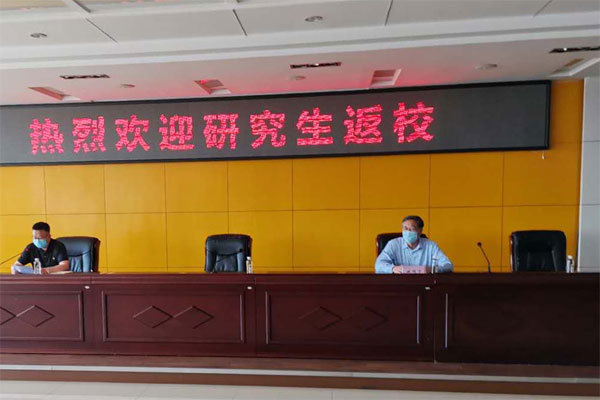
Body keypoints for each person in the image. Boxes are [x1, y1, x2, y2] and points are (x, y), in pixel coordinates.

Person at [375, 215, 452, 274]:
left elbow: (448, 265)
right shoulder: (393, 244)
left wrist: (432, 269)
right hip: (399, 284)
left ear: (420, 231)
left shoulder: (431, 246)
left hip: (424, 284)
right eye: (405, 228)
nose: (408, 231)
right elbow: (379, 265)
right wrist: (393, 268)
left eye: (412, 228)